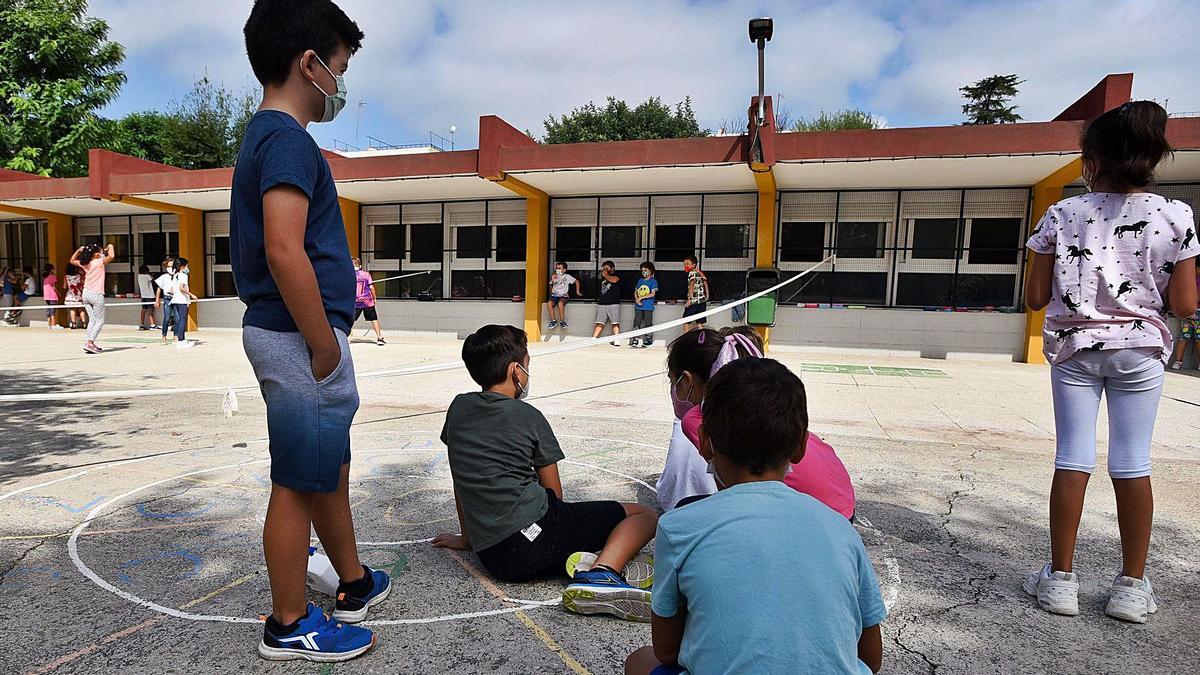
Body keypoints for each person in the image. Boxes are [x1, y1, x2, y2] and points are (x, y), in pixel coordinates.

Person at [233, 1, 387, 662]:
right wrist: (324, 342)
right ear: (310, 65)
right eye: (339, 68)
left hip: (299, 335)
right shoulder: (289, 139)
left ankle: (350, 581)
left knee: (327, 465)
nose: (340, 85)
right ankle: (290, 621)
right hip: (300, 337)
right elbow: (284, 249)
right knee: (298, 479)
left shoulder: (266, 136)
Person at [1024, 101, 1198, 623]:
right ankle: (1130, 587)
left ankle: (1060, 581)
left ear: (1092, 158)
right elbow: (1187, 305)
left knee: (1072, 458)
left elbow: (1035, 297)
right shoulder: (1177, 215)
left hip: (1077, 350)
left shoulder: (1062, 214)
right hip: (1139, 351)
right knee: (1132, 461)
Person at [625, 358, 886, 675]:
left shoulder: (678, 527)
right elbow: (871, 659)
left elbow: (667, 650)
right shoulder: (840, 529)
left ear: (705, 442)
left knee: (640, 661)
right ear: (801, 446)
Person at [433, 324, 657, 621]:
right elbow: (554, 495)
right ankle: (603, 573)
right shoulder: (529, 417)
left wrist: (467, 538)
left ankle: (579, 557)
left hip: (493, 556)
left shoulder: (459, 408)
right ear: (516, 371)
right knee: (644, 515)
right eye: (527, 365)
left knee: (575, 528)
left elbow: (460, 478)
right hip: (534, 541)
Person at [661, 326, 857, 519]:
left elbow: (734, 483)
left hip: (814, 515)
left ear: (687, 380)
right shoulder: (759, 399)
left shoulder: (697, 419)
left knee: (688, 512)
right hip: (841, 507)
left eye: (672, 381)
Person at [70, 242, 114, 354]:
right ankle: (90, 342)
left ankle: (89, 343)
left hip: (86, 293)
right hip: (96, 294)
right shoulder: (98, 262)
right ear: (95, 254)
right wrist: (110, 246)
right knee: (100, 321)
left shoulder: (85, 263)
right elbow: (112, 256)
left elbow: (71, 260)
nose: (100, 253)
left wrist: (79, 250)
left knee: (92, 320)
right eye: (99, 251)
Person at [1169, 265, 1200, 369]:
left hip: (1186, 311)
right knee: (1197, 338)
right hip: (1196, 312)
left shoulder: (1187, 278)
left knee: (1184, 337)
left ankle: (1177, 362)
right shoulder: (1192, 279)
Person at [352, 258, 384, 345]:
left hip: (356, 302)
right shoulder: (366, 274)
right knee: (374, 319)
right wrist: (374, 298)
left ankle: (344, 338)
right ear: (360, 266)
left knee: (351, 320)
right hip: (367, 301)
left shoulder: (350, 275)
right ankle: (379, 337)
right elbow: (371, 287)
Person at [169, 258, 198, 347]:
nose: (187, 268)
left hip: (175, 300)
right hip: (182, 300)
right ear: (182, 266)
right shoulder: (183, 276)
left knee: (180, 319)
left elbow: (172, 289)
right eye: (186, 266)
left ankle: (180, 338)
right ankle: (181, 340)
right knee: (182, 320)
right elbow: (181, 288)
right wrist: (192, 295)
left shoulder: (175, 275)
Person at [593, 260, 621, 345]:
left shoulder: (616, 275)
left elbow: (614, 280)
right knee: (599, 322)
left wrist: (606, 275)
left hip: (613, 303)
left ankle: (616, 339)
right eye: (603, 268)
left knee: (615, 323)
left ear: (612, 268)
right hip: (602, 303)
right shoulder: (602, 278)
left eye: (606, 268)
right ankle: (594, 338)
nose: (604, 270)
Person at [630, 261, 657, 348]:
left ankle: (648, 338)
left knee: (648, 321)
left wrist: (641, 298)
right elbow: (636, 291)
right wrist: (637, 299)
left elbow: (652, 294)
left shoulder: (653, 281)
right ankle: (635, 338)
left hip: (648, 306)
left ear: (650, 270)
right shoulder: (640, 280)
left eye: (645, 270)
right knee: (637, 321)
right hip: (639, 305)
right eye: (642, 270)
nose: (643, 272)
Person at [547, 261, 580, 329]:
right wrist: (552, 280)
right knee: (549, 303)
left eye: (559, 268)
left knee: (560, 303)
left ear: (564, 270)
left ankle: (562, 321)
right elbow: (550, 287)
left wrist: (577, 291)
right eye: (556, 268)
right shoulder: (554, 276)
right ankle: (553, 321)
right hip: (554, 295)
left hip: (563, 295)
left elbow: (577, 281)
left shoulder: (567, 276)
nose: (557, 270)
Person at [682, 253, 709, 331]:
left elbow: (692, 285)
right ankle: (702, 339)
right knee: (700, 322)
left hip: (694, 301)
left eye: (688, 264)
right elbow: (705, 282)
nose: (685, 266)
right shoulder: (699, 272)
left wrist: (689, 299)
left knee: (686, 320)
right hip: (702, 301)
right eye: (684, 264)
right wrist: (707, 296)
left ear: (694, 264)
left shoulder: (692, 273)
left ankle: (686, 337)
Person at [155, 257, 176, 343]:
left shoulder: (177, 275)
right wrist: (157, 300)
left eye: (172, 266)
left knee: (177, 318)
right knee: (166, 318)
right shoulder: (164, 277)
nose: (171, 268)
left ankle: (176, 335)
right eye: (169, 266)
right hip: (167, 298)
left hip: (176, 298)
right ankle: (164, 335)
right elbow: (159, 289)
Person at [137, 264, 158, 330]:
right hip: (150, 295)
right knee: (150, 311)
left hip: (143, 296)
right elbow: (154, 280)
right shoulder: (147, 276)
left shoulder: (139, 276)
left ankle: (142, 324)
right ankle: (152, 325)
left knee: (143, 310)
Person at [64, 264, 85, 329]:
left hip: (70, 294)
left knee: (73, 309)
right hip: (78, 293)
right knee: (81, 309)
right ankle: (84, 323)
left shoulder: (66, 277)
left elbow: (64, 287)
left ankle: (73, 323)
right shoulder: (79, 276)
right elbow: (82, 284)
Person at [42, 264, 62, 330]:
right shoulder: (53, 276)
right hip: (52, 296)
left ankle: (49, 324)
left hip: (46, 296)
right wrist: (59, 293)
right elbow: (54, 287)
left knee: (49, 310)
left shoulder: (45, 277)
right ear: (51, 269)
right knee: (53, 310)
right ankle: (54, 324)